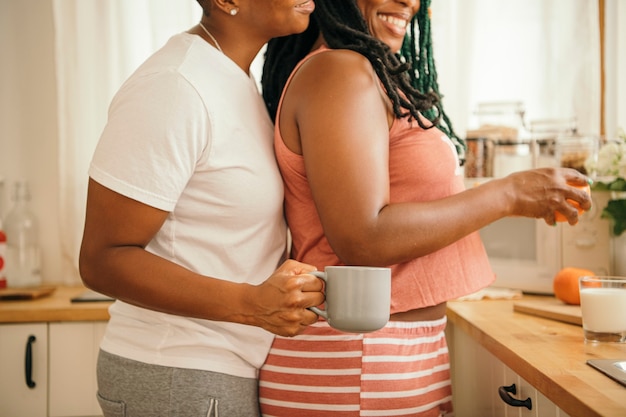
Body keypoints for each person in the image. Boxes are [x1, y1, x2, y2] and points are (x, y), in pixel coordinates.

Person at [257, 0, 593, 416]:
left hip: (381, 355)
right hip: (355, 362)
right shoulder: (340, 71)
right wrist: (509, 194)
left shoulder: (362, 75)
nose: (409, 1)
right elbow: (364, 236)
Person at [78, 1, 323, 416]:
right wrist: (252, 303)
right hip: (176, 370)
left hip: (211, 370)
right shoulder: (174, 86)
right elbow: (101, 260)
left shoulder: (232, 78)